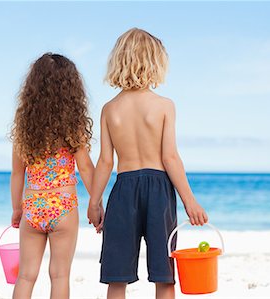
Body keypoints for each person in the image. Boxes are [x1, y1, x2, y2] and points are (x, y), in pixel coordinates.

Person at [87, 28, 209, 299]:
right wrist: (190, 201)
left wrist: (94, 203)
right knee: (164, 276)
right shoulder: (165, 105)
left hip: (123, 191)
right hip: (159, 191)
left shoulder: (110, 109)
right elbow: (170, 158)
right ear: (155, 62)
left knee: (116, 278)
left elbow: (106, 161)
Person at [9, 53, 95, 299]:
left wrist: (17, 209)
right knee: (59, 275)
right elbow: (86, 168)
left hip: (33, 206)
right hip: (63, 206)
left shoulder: (24, 123)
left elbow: (17, 172)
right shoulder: (72, 123)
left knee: (25, 275)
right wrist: (96, 202)